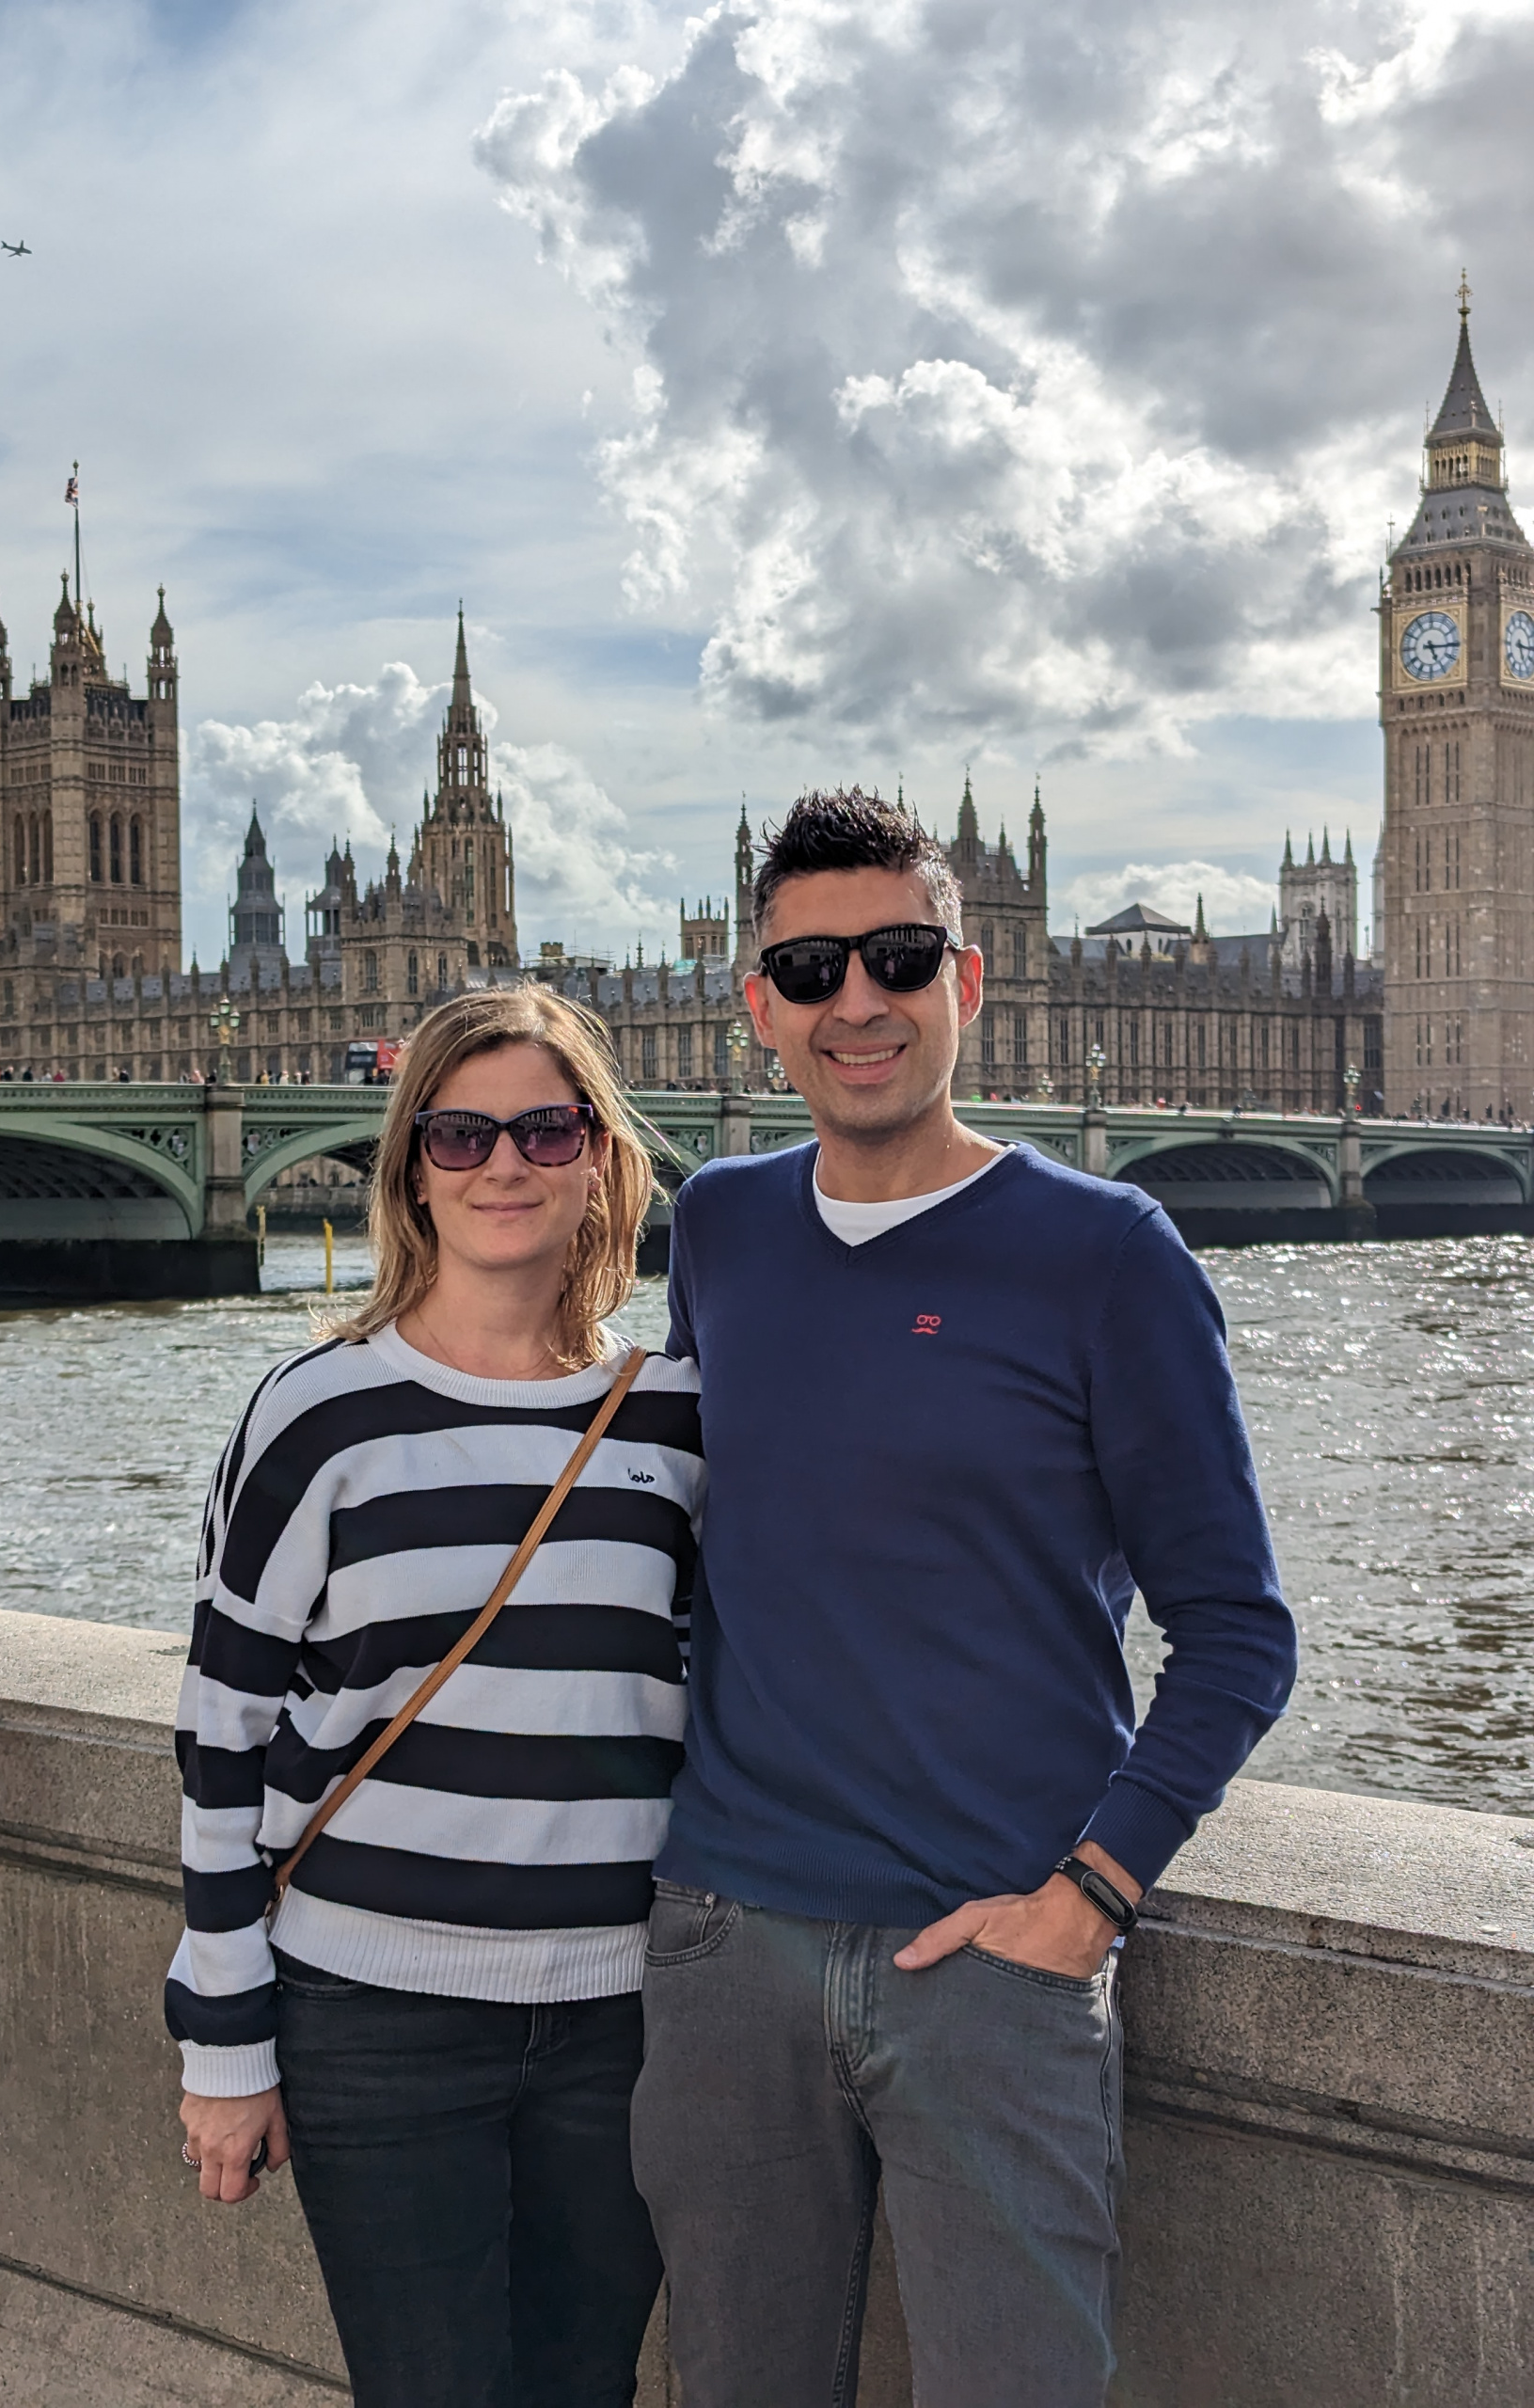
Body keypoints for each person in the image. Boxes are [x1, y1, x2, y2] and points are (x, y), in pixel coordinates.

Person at [631, 788, 1297, 2408]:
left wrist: (1088, 1901)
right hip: (727, 1944)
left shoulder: (1111, 1253)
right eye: (811, 970)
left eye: (900, 957)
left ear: (968, 978)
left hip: (992, 1963)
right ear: (757, 1004)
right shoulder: (717, 1226)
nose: (856, 1000)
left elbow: (1238, 1629)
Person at [167, 985, 704, 2408]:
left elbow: (708, 1703)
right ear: (410, 1167)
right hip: (375, 2020)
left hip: (622, 2021)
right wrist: (225, 2040)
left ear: (600, 1158)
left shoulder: (677, 1416)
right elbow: (219, 1738)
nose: (503, 1164)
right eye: (461, 1135)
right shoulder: (315, 1413)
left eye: (545, 1129)